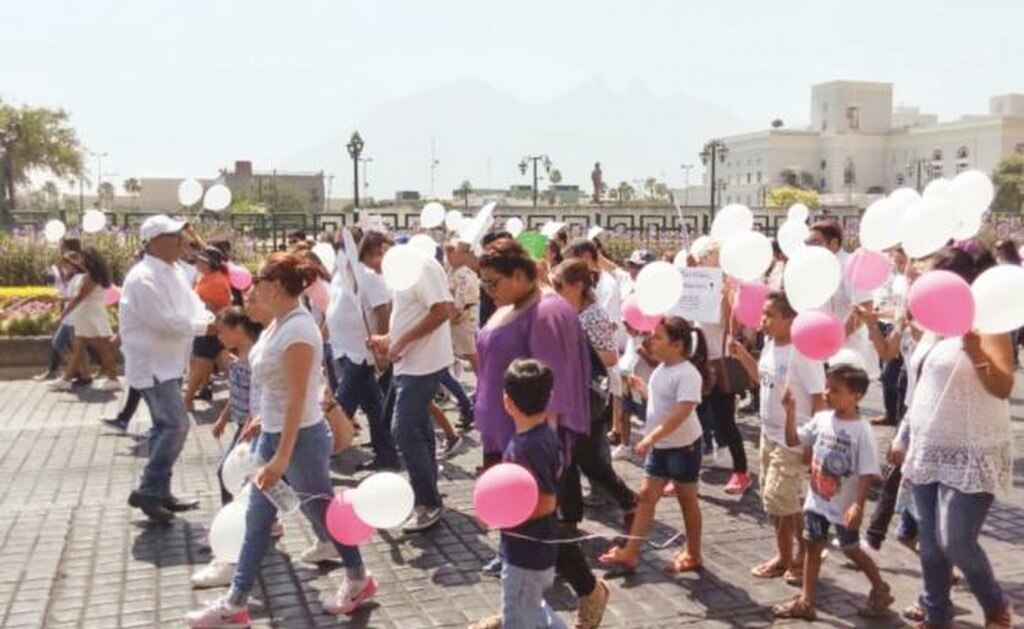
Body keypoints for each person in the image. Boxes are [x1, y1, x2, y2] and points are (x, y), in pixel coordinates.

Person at [185, 252, 376, 627]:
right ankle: (235, 604)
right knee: (258, 520)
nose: (253, 289)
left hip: (300, 439)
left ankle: (358, 578)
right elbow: (278, 390)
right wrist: (261, 421)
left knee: (322, 513)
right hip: (275, 434)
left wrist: (280, 458)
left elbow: (297, 396)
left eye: (259, 282)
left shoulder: (299, 330)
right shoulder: (279, 325)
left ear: (275, 286)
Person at [475, 241, 609, 628]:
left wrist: (544, 448)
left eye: (493, 282)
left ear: (519, 275)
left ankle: (586, 592)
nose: (488, 290)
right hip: (503, 434)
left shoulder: (547, 309)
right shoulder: (513, 304)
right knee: (516, 525)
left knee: (539, 525)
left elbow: (553, 382)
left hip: (527, 439)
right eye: (485, 283)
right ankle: (517, 603)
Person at [900, 246, 1014, 628]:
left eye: (931, 272)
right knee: (931, 547)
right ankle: (937, 614)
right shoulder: (934, 323)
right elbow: (920, 387)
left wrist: (976, 350)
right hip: (928, 447)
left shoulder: (988, 324)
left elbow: (1002, 386)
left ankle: (996, 607)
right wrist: (903, 438)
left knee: (956, 540)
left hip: (973, 449)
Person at [772, 364, 892, 621]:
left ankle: (880, 586)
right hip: (817, 500)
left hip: (843, 506)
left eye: (835, 390)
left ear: (856, 396)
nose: (827, 393)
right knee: (812, 546)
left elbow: (866, 471)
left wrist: (858, 506)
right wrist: (790, 411)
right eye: (827, 387)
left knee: (850, 548)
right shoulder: (822, 419)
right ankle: (806, 601)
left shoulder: (862, 430)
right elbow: (794, 440)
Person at [120, 215, 214, 523]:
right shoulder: (143, 277)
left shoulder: (173, 271)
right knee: (176, 425)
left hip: (170, 363)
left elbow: (193, 305)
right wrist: (205, 329)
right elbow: (162, 322)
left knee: (165, 427)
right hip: (153, 366)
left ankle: (161, 491)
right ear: (155, 241)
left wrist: (208, 320)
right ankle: (148, 489)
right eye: (174, 236)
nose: (180, 241)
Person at [597, 316, 706, 574]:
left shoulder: (688, 374)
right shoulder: (662, 369)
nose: (651, 341)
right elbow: (662, 403)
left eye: (658, 337)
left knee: (687, 499)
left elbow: (681, 412)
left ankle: (693, 552)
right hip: (661, 447)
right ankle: (630, 553)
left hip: (684, 448)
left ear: (677, 345)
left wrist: (650, 438)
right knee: (646, 497)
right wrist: (644, 391)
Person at [730, 291, 825, 585]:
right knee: (774, 502)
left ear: (790, 319)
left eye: (770, 315)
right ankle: (784, 554)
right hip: (768, 432)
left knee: (781, 499)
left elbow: (818, 398)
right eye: (763, 314)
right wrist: (742, 355)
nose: (763, 321)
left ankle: (804, 554)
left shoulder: (804, 352)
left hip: (793, 437)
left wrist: (812, 443)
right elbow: (764, 379)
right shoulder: (771, 344)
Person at [470, 359, 566, 629]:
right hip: (535, 547)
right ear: (548, 399)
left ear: (507, 402)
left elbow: (547, 501)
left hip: (527, 550)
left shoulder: (526, 446)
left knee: (518, 616)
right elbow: (555, 474)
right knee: (533, 607)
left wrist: (502, 518)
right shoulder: (544, 434)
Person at [366, 246, 456, 533]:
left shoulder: (422, 266)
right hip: (411, 363)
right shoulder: (404, 271)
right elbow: (412, 314)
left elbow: (442, 311)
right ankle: (427, 494)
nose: (375, 271)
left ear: (382, 250)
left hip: (423, 364)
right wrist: (389, 338)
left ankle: (428, 501)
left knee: (402, 430)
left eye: (374, 263)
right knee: (417, 428)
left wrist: (401, 342)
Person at [550, 259, 637, 531]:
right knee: (574, 457)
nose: (555, 290)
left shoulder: (593, 315)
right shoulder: (568, 310)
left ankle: (628, 500)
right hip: (571, 393)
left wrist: (574, 351)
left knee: (585, 459)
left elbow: (610, 357)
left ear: (576, 286)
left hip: (588, 395)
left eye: (558, 285)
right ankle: (572, 518)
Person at [190, 306, 264, 589]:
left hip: (252, 428)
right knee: (255, 481)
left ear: (239, 330)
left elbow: (257, 398)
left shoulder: (255, 359)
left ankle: (229, 535)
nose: (218, 337)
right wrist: (222, 418)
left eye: (221, 331)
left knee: (227, 474)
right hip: (243, 427)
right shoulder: (238, 360)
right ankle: (266, 523)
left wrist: (247, 427)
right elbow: (236, 396)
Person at [327, 230, 393, 469]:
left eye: (345, 248)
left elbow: (381, 311)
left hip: (361, 352)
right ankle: (386, 453)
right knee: (374, 406)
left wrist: (382, 349)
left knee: (342, 404)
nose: (341, 253)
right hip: (344, 350)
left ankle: (322, 450)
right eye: (338, 249)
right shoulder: (341, 274)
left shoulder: (369, 277)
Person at [48, 248, 122, 392]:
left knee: (103, 348)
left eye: (83, 259)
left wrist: (64, 313)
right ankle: (66, 379)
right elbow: (80, 294)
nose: (80, 261)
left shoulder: (91, 277)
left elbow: (80, 297)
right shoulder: (93, 275)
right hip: (87, 314)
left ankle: (113, 379)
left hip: (89, 315)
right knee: (78, 348)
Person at [184, 246, 233, 410]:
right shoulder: (208, 277)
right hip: (211, 326)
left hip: (210, 326)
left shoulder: (216, 280)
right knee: (225, 364)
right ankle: (245, 393)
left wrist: (195, 304)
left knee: (199, 364)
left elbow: (215, 306)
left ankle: (187, 399)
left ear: (209, 263)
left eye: (200, 260)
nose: (196, 262)